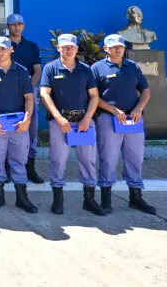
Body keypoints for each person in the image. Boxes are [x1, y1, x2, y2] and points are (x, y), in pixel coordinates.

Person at [39, 33, 104, 216]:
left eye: (72, 46)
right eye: (65, 46)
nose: (69, 49)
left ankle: (89, 199)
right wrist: (59, 117)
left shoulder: (85, 70)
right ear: (58, 48)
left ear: (77, 49)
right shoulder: (50, 68)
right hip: (61, 122)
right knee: (58, 160)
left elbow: (94, 96)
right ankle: (57, 199)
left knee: (88, 160)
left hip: (84, 120)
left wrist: (87, 118)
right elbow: (44, 94)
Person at [92, 34, 156, 215]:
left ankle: (135, 197)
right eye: (113, 47)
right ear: (106, 49)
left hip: (133, 120)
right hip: (108, 119)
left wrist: (138, 108)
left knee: (135, 158)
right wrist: (114, 111)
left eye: (120, 46)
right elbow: (94, 97)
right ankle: (106, 199)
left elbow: (145, 91)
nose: (118, 49)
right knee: (108, 158)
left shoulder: (133, 66)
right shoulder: (97, 68)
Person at [0, 37, 37, 213]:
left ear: (11, 49)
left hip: (18, 122)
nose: (0, 51)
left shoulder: (21, 71)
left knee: (19, 160)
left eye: (3, 48)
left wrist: (27, 119)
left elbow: (29, 97)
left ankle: (22, 197)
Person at [6, 14, 44, 184]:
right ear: (7, 26)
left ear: (23, 26)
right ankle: (8, 168)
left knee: (31, 129)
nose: (16, 27)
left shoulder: (31, 46)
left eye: (19, 24)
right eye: (13, 24)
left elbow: (37, 71)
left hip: (29, 93)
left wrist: (29, 89)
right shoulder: (2, 45)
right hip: (7, 94)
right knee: (8, 128)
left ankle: (30, 167)